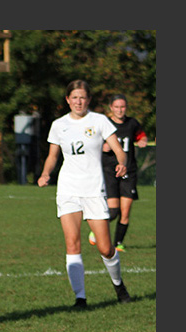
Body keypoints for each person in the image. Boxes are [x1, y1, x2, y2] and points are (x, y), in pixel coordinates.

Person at [38, 80, 132, 308]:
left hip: (93, 190)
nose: (78, 101)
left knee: (105, 248)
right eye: (74, 97)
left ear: (88, 100)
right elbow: (53, 155)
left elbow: (119, 150)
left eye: (83, 97)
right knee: (72, 244)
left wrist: (122, 163)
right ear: (68, 100)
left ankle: (118, 284)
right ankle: (80, 298)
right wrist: (45, 173)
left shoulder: (100, 121)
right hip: (68, 189)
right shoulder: (59, 125)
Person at [88, 94, 149, 253]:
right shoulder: (105, 123)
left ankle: (118, 244)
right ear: (111, 108)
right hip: (109, 170)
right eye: (116, 107)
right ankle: (97, 229)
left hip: (128, 170)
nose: (120, 110)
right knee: (113, 211)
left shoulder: (132, 123)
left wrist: (142, 140)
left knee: (126, 210)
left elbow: (141, 135)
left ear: (126, 108)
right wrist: (102, 146)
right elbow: (92, 140)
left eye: (122, 107)